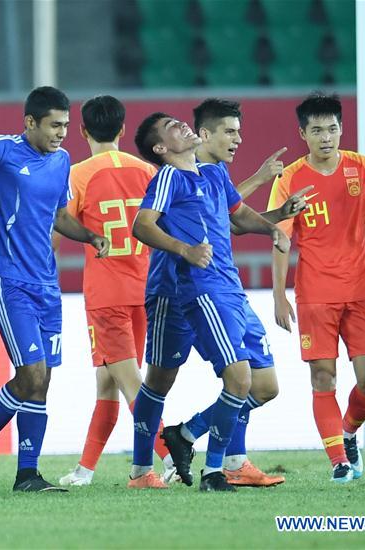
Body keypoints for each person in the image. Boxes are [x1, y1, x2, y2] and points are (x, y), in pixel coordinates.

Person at [129, 112, 291, 491]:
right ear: (160, 148)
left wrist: (273, 225)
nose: (181, 125)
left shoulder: (214, 174)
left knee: (260, 384)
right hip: (178, 289)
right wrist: (184, 249)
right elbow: (142, 224)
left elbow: (234, 217)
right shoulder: (169, 177)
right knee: (162, 379)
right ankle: (151, 471)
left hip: (226, 287)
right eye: (172, 126)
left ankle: (190, 436)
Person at [0, 86, 110, 492]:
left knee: (40, 381)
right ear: (30, 123)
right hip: (9, 281)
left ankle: (18, 467)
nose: (62, 133)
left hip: (47, 284)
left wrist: (89, 237)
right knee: (31, 373)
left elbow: (59, 213)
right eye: (53, 125)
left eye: (65, 125)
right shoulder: (3, 150)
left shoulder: (61, 161)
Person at [269, 92, 365, 483]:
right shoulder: (290, 177)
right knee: (323, 377)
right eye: (317, 130)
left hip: (362, 290)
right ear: (303, 134)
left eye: (332, 128)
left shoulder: (362, 168)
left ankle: (346, 433)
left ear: (341, 129)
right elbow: (280, 236)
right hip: (315, 293)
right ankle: (338, 462)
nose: (326, 136)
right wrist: (279, 294)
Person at [53, 96, 175, 488]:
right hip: (148, 288)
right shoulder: (149, 171)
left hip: (107, 293)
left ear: (83, 131)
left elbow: (60, 228)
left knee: (129, 384)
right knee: (107, 382)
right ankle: (85, 470)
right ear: (123, 130)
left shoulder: (77, 175)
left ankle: (171, 455)